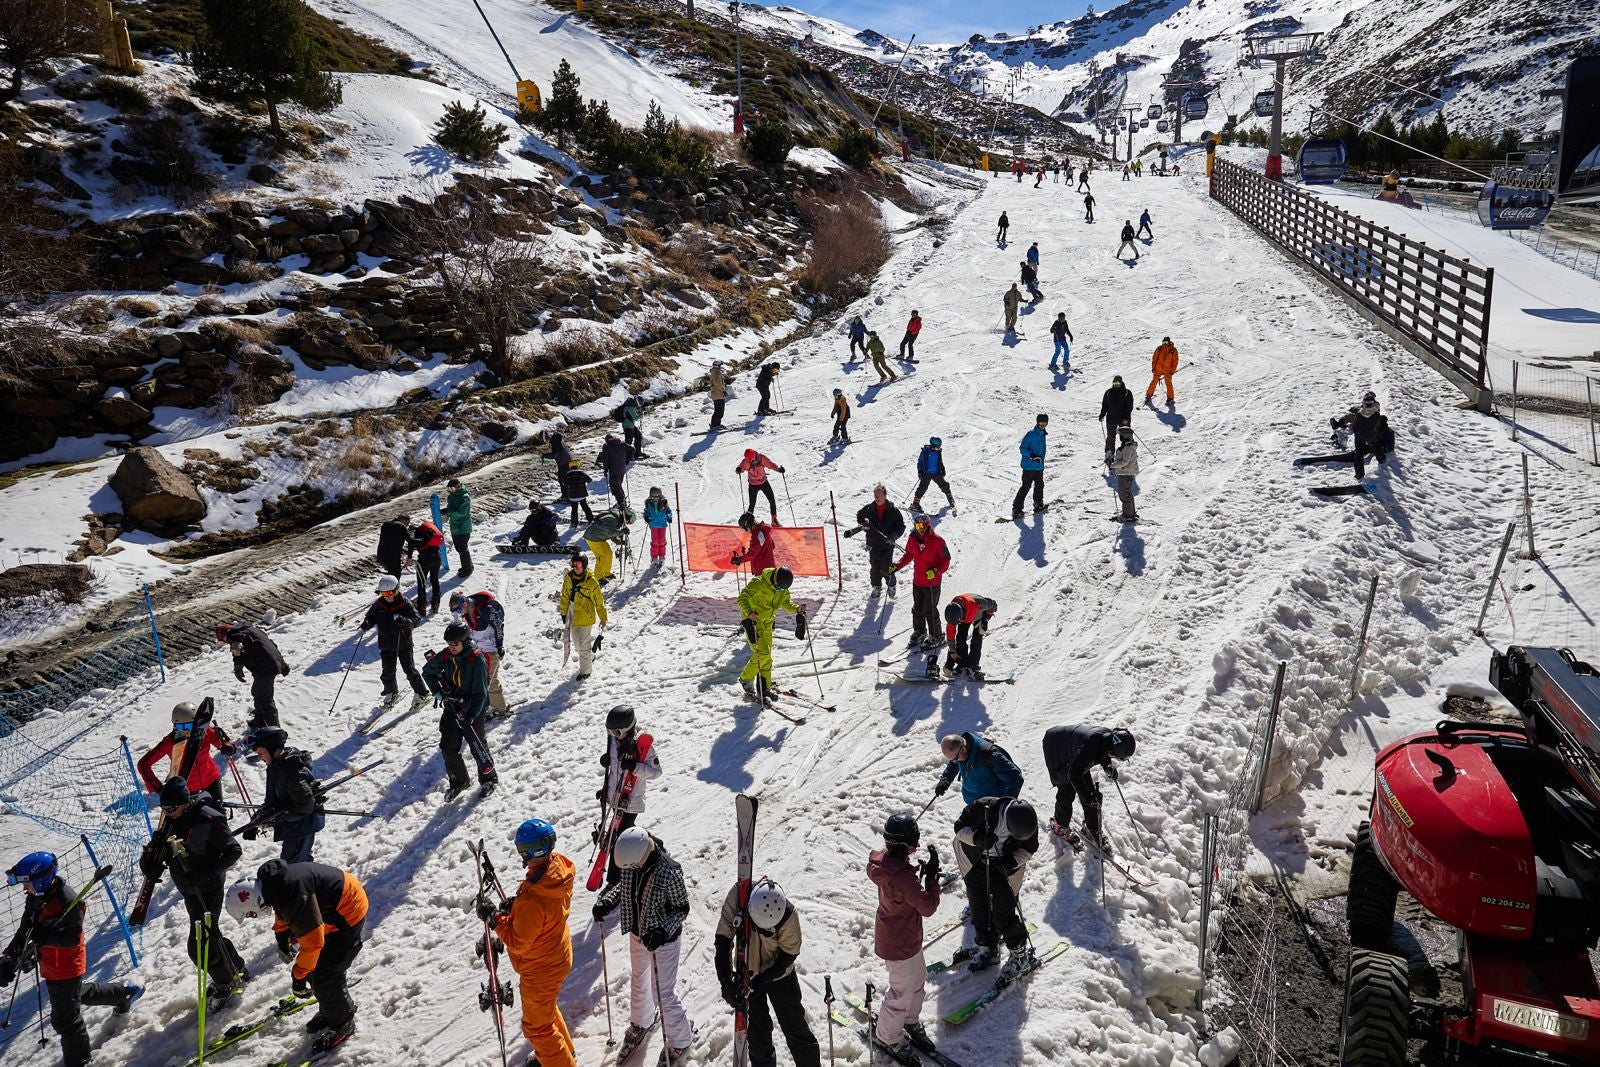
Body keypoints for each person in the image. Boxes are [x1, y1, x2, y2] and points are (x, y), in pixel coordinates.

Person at [2, 854, 142, 1066]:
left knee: (66, 1020)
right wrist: (9, 957)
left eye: (27, 884)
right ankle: (123, 993)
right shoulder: (37, 897)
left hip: (66, 966)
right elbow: (26, 929)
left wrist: (44, 936)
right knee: (75, 994)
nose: (24, 889)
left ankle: (80, 1061)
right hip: (51, 962)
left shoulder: (68, 902)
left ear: (39, 881)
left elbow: (71, 938)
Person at [227, 858, 368, 1054]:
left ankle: (343, 1022)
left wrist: (298, 976)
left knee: (326, 974)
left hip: (348, 910)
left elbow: (313, 943)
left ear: (255, 901)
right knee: (316, 968)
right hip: (333, 904)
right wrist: (282, 936)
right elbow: (283, 907)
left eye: (251, 914)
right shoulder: (272, 885)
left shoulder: (292, 895)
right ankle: (330, 1010)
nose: (254, 916)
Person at [139, 779, 248, 1004]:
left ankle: (225, 982)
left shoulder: (208, 819)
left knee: (200, 947)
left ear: (184, 803)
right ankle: (235, 967)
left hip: (207, 889)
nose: (166, 813)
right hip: (189, 890)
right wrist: (148, 862)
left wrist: (203, 874)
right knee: (210, 934)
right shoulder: (171, 821)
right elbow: (157, 847)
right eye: (163, 809)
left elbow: (233, 851)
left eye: (170, 808)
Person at [592, 829, 693, 1065]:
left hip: (663, 941)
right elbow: (623, 887)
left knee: (663, 992)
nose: (629, 871)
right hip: (638, 934)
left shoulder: (669, 870)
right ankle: (642, 1021)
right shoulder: (632, 860)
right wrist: (606, 903)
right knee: (639, 979)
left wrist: (662, 930)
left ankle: (680, 1040)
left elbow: (682, 908)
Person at [493, 820, 577, 1067]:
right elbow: (540, 916)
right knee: (545, 1014)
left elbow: (518, 942)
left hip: (540, 969)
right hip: (557, 955)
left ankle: (559, 1061)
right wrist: (515, 911)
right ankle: (560, 1054)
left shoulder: (535, 899)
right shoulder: (558, 869)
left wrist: (496, 920)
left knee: (537, 1028)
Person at [714, 879, 821, 1067]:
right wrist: (725, 980)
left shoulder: (788, 916)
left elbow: (789, 954)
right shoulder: (738, 896)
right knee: (758, 1033)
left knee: (795, 1025)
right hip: (748, 972)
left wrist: (765, 978)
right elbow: (723, 939)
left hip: (780, 974)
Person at [866, 813, 939, 1062]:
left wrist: (918, 874)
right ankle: (889, 1036)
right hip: (900, 944)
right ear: (907, 845)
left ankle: (909, 1020)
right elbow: (927, 907)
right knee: (900, 992)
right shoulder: (903, 877)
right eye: (913, 843)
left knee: (917, 981)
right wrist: (931, 879)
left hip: (903, 937)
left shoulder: (886, 864)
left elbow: (902, 884)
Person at [953, 797, 1039, 979]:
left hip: (1003, 867)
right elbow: (959, 828)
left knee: (1003, 913)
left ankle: (1019, 955)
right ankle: (988, 949)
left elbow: (1029, 849)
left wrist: (1010, 863)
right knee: (978, 908)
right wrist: (976, 838)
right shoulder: (983, 808)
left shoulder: (1028, 820)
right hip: (975, 862)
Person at [421, 621, 499, 800]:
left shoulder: (476, 658)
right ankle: (459, 781)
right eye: (448, 643)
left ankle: (489, 779)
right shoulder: (447, 655)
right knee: (448, 746)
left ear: (464, 641)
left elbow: (480, 692)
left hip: (473, 707)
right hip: (451, 706)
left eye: (454, 643)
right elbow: (428, 672)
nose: (451, 647)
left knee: (477, 743)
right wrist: (439, 694)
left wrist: (471, 716)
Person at [594, 705, 663, 886]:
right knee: (615, 833)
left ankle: (614, 881)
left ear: (627, 728)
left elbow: (656, 773)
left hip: (631, 801)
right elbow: (616, 772)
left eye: (616, 732)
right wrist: (606, 789)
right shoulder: (614, 741)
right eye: (609, 731)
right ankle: (653, 844)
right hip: (616, 798)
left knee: (619, 839)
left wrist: (635, 767)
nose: (613, 735)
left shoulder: (643, 746)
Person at [1042, 725, 1136, 853]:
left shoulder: (1106, 739)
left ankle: (1093, 829)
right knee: (1067, 789)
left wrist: (1107, 766)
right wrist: (1087, 798)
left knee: (1092, 793)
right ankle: (1059, 825)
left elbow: (1102, 752)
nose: (1113, 758)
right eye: (1115, 756)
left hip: (1076, 752)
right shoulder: (1090, 746)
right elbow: (1073, 774)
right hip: (1056, 747)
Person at [239, 727, 323, 864]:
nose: (259, 757)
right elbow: (272, 800)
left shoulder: (291, 771)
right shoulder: (275, 765)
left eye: (261, 753)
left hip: (301, 827)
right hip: (294, 826)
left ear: (273, 749)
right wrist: (257, 819)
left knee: (292, 867)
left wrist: (279, 817)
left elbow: (305, 805)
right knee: (300, 861)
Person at [137, 701, 232, 807]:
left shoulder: (204, 732)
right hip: (187, 789)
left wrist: (228, 747)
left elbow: (224, 742)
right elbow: (143, 764)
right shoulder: (170, 742)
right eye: (180, 727)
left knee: (218, 813)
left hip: (211, 779)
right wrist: (160, 789)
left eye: (189, 725)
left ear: (196, 723)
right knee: (196, 820)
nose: (185, 730)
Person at [738, 566, 806, 705]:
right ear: (774, 580)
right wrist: (749, 612)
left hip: (768, 624)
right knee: (762, 653)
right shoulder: (758, 583)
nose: (781, 590)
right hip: (753, 623)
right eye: (780, 588)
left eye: (783, 589)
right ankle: (746, 679)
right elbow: (742, 598)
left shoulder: (782, 587)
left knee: (767, 656)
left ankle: (764, 687)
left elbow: (786, 602)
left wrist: (797, 609)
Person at [362, 575, 428, 707]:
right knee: (387, 671)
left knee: (409, 670)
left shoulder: (404, 603)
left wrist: (405, 622)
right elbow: (370, 617)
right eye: (383, 593)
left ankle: (421, 693)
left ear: (396, 590)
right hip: (386, 643)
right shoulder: (378, 604)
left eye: (389, 593)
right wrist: (367, 623)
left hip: (403, 643)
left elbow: (417, 619)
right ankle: (391, 692)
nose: (386, 596)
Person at [216, 621, 289, 731]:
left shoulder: (234, 636)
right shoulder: (250, 629)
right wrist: (281, 661)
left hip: (265, 668)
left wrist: (238, 670)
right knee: (257, 692)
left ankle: (274, 730)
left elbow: (237, 651)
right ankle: (260, 720)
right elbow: (270, 644)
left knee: (264, 699)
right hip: (271, 663)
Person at [892, 514, 950, 650]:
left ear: (928, 525)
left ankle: (936, 635)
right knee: (917, 608)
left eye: (923, 526)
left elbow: (946, 560)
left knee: (929, 609)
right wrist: (897, 566)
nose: (920, 529)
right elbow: (909, 555)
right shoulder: (913, 538)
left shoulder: (938, 541)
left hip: (932, 582)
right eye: (917, 526)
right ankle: (920, 631)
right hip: (918, 580)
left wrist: (935, 571)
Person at [449, 587, 509, 716]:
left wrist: (500, 646)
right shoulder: (467, 610)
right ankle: (487, 706)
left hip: (491, 650)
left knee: (490, 681)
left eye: (459, 610)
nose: (459, 613)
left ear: (464, 603)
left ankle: (500, 709)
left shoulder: (485, 609)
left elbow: (498, 626)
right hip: (478, 650)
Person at [933, 731, 1023, 805]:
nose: (955, 762)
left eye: (956, 759)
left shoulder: (990, 754)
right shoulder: (960, 748)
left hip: (992, 805)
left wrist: (1003, 805)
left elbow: (1016, 778)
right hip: (974, 804)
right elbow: (953, 764)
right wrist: (945, 781)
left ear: (963, 750)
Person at [847, 484, 905, 599]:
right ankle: (876, 587)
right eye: (875, 496)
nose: (877, 498)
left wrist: (893, 536)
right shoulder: (869, 509)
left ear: (885, 495)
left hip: (887, 545)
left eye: (879, 496)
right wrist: (864, 524)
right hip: (873, 544)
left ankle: (891, 585)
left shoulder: (893, 510)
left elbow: (900, 526)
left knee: (885, 568)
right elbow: (859, 515)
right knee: (875, 568)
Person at [558, 553, 607, 681]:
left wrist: (603, 618)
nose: (576, 567)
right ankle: (590, 656)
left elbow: (599, 602)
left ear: (584, 566)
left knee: (584, 644)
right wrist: (563, 613)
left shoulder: (591, 582)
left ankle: (586, 671)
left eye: (579, 564)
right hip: (572, 612)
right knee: (575, 642)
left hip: (585, 614)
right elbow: (564, 597)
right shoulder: (569, 578)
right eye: (573, 564)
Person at [1327, 392, 1394, 479]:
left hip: (1360, 436)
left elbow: (1354, 426)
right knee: (1376, 446)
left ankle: (1359, 473)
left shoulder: (1359, 414)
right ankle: (1381, 459)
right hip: (1371, 435)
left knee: (1359, 453)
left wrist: (1357, 431)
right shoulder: (1376, 413)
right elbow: (1376, 424)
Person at [942, 594, 998, 679]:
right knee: (960, 637)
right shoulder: (953, 612)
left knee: (977, 637)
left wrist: (985, 619)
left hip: (978, 615)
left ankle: (973, 666)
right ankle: (963, 663)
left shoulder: (978, 603)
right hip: (965, 617)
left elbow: (994, 606)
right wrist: (952, 651)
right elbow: (950, 635)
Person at [582, 505, 635, 585]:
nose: (627, 524)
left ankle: (606, 573)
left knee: (608, 553)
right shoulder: (613, 519)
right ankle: (598, 577)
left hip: (598, 537)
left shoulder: (617, 519)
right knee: (602, 556)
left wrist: (620, 542)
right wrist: (622, 532)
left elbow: (612, 534)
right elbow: (610, 532)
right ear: (626, 517)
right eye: (629, 522)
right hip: (592, 537)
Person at [1012, 413, 1049, 519]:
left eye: (1045, 423)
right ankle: (1016, 509)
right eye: (1041, 423)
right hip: (1029, 466)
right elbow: (1022, 448)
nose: (1042, 425)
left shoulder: (1043, 434)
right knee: (1026, 487)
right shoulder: (1031, 434)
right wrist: (1032, 456)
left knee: (1039, 485)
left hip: (1038, 466)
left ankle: (1038, 504)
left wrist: (1040, 460)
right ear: (1037, 422)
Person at [408, 515, 445, 615]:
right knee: (434, 580)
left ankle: (422, 606)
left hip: (425, 559)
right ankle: (435, 603)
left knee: (421, 582)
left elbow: (411, 543)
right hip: (437, 557)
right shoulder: (426, 532)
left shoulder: (413, 533)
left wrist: (409, 557)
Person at [736, 448, 785, 525]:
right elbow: (741, 467)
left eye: (750, 459)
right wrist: (738, 469)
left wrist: (778, 469)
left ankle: (774, 520)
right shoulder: (746, 460)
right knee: (752, 504)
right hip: (753, 485)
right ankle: (748, 522)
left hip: (763, 483)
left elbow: (771, 465)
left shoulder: (761, 458)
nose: (749, 460)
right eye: (747, 459)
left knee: (771, 500)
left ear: (753, 455)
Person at [910, 438, 955, 513]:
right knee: (922, 488)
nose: (939, 448)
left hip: (936, 473)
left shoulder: (938, 452)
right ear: (933, 446)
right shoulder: (925, 451)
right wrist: (920, 471)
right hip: (926, 473)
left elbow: (940, 462)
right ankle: (915, 504)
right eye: (938, 447)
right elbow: (920, 461)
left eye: (939, 447)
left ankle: (951, 500)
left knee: (944, 485)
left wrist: (942, 470)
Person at [443, 478, 474, 579]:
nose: (450, 490)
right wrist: (446, 510)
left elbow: (461, 512)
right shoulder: (451, 497)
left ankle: (467, 569)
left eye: (451, 488)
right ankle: (468, 566)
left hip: (463, 527)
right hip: (455, 526)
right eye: (449, 488)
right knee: (458, 548)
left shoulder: (464, 497)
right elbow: (451, 508)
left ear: (458, 486)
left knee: (462, 548)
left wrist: (449, 511)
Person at [1109, 425, 1140, 523]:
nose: (1119, 437)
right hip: (1126, 472)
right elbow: (1122, 459)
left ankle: (1128, 515)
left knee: (1124, 494)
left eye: (1121, 435)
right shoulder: (1127, 446)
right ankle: (1130, 512)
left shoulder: (1127, 448)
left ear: (1125, 436)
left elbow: (1124, 462)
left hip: (1126, 473)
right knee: (1126, 493)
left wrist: (1112, 465)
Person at [1098, 375, 1134, 456]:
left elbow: (1129, 407)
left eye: (1117, 382)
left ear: (1121, 383)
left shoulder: (1127, 393)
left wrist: (1125, 418)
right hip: (1111, 417)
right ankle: (1109, 453)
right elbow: (1105, 405)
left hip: (1123, 419)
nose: (1116, 384)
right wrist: (1102, 415)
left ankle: (1127, 453)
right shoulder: (1108, 392)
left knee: (1126, 436)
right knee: (1111, 437)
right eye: (1114, 382)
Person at [732, 511, 777, 577]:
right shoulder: (763, 530)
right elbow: (772, 546)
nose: (746, 531)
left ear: (748, 525)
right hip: (769, 569)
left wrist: (740, 559)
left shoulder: (757, 534)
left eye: (745, 529)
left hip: (763, 571)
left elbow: (752, 553)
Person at [559, 459, 595, 528]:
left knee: (574, 509)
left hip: (572, 496)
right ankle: (591, 519)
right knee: (585, 507)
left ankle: (574, 523)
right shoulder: (582, 473)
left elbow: (563, 483)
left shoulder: (567, 475)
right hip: (582, 495)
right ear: (578, 466)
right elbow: (590, 480)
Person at [599, 433, 631, 511]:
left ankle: (621, 503)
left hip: (614, 471)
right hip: (622, 469)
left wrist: (605, 469)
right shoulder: (622, 443)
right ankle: (623, 501)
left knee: (614, 487)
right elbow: (632, 449)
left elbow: (605, 459)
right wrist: (627, 459)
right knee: (618, 485)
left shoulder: (606, 446)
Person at [643, 487, 672, 566]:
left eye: (657, 497)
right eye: (653, 497)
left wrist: (669, 516)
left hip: (662, 524)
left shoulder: (664, 502)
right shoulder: (649, 503)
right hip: (654, 524)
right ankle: (654, 557)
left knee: (662, 540)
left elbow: (668, 511)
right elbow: (646, 512)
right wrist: (646, 517)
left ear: (660, 496)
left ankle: (662, 556)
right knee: (655, 541)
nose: (655, 499)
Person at [1146, 336, 1179, 406]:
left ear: (1169, 342)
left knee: (1168, 383)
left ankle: (1170, 398)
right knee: (1154, 382)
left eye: (1166, 342)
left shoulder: (1173, 350)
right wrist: (1153, 368)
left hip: (1168, 370)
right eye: (1163, 342)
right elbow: (1154, 358)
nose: (1164, 344)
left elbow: (1175, 362)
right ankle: (1148, 395)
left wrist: (1172, 370)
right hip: (1158, 368)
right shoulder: (1159, 348)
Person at [375, 515, 410, 579]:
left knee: (391, 575)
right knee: (395, 577)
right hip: (393, 558)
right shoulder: (401, 526)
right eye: (408, 523)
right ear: (406, 521)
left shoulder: (385, 524)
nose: (407, 526)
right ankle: (393, 588)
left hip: (381, 555)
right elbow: (411, 540)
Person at [708, 360, 730, 431]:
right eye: (720, 365)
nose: (721, 366)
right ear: (718, 365)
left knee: (717, 410)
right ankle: (715, 425)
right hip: (718, 394)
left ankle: (715, 424)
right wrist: (723, 390)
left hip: (716, 394)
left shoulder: (714, 372)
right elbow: (718, 383)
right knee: (720, 411)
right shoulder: (717, 373)